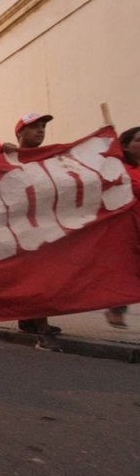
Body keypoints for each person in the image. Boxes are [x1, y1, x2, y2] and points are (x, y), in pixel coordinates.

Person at [13, 112, 63, 351]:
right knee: (38, 278)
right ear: (20, 132)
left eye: (43, 127)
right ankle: (42, 331)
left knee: (41, 277)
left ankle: (28, 319)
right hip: (20, 229)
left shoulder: (50, 158)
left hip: (44, 227)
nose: (40, 131)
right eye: (34, 127)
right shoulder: (7, 158)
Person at [105, 126, 140, 329]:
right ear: (126, 146)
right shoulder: (121, 170)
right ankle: (116, 307)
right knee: (126, 272)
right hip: (127, 230)